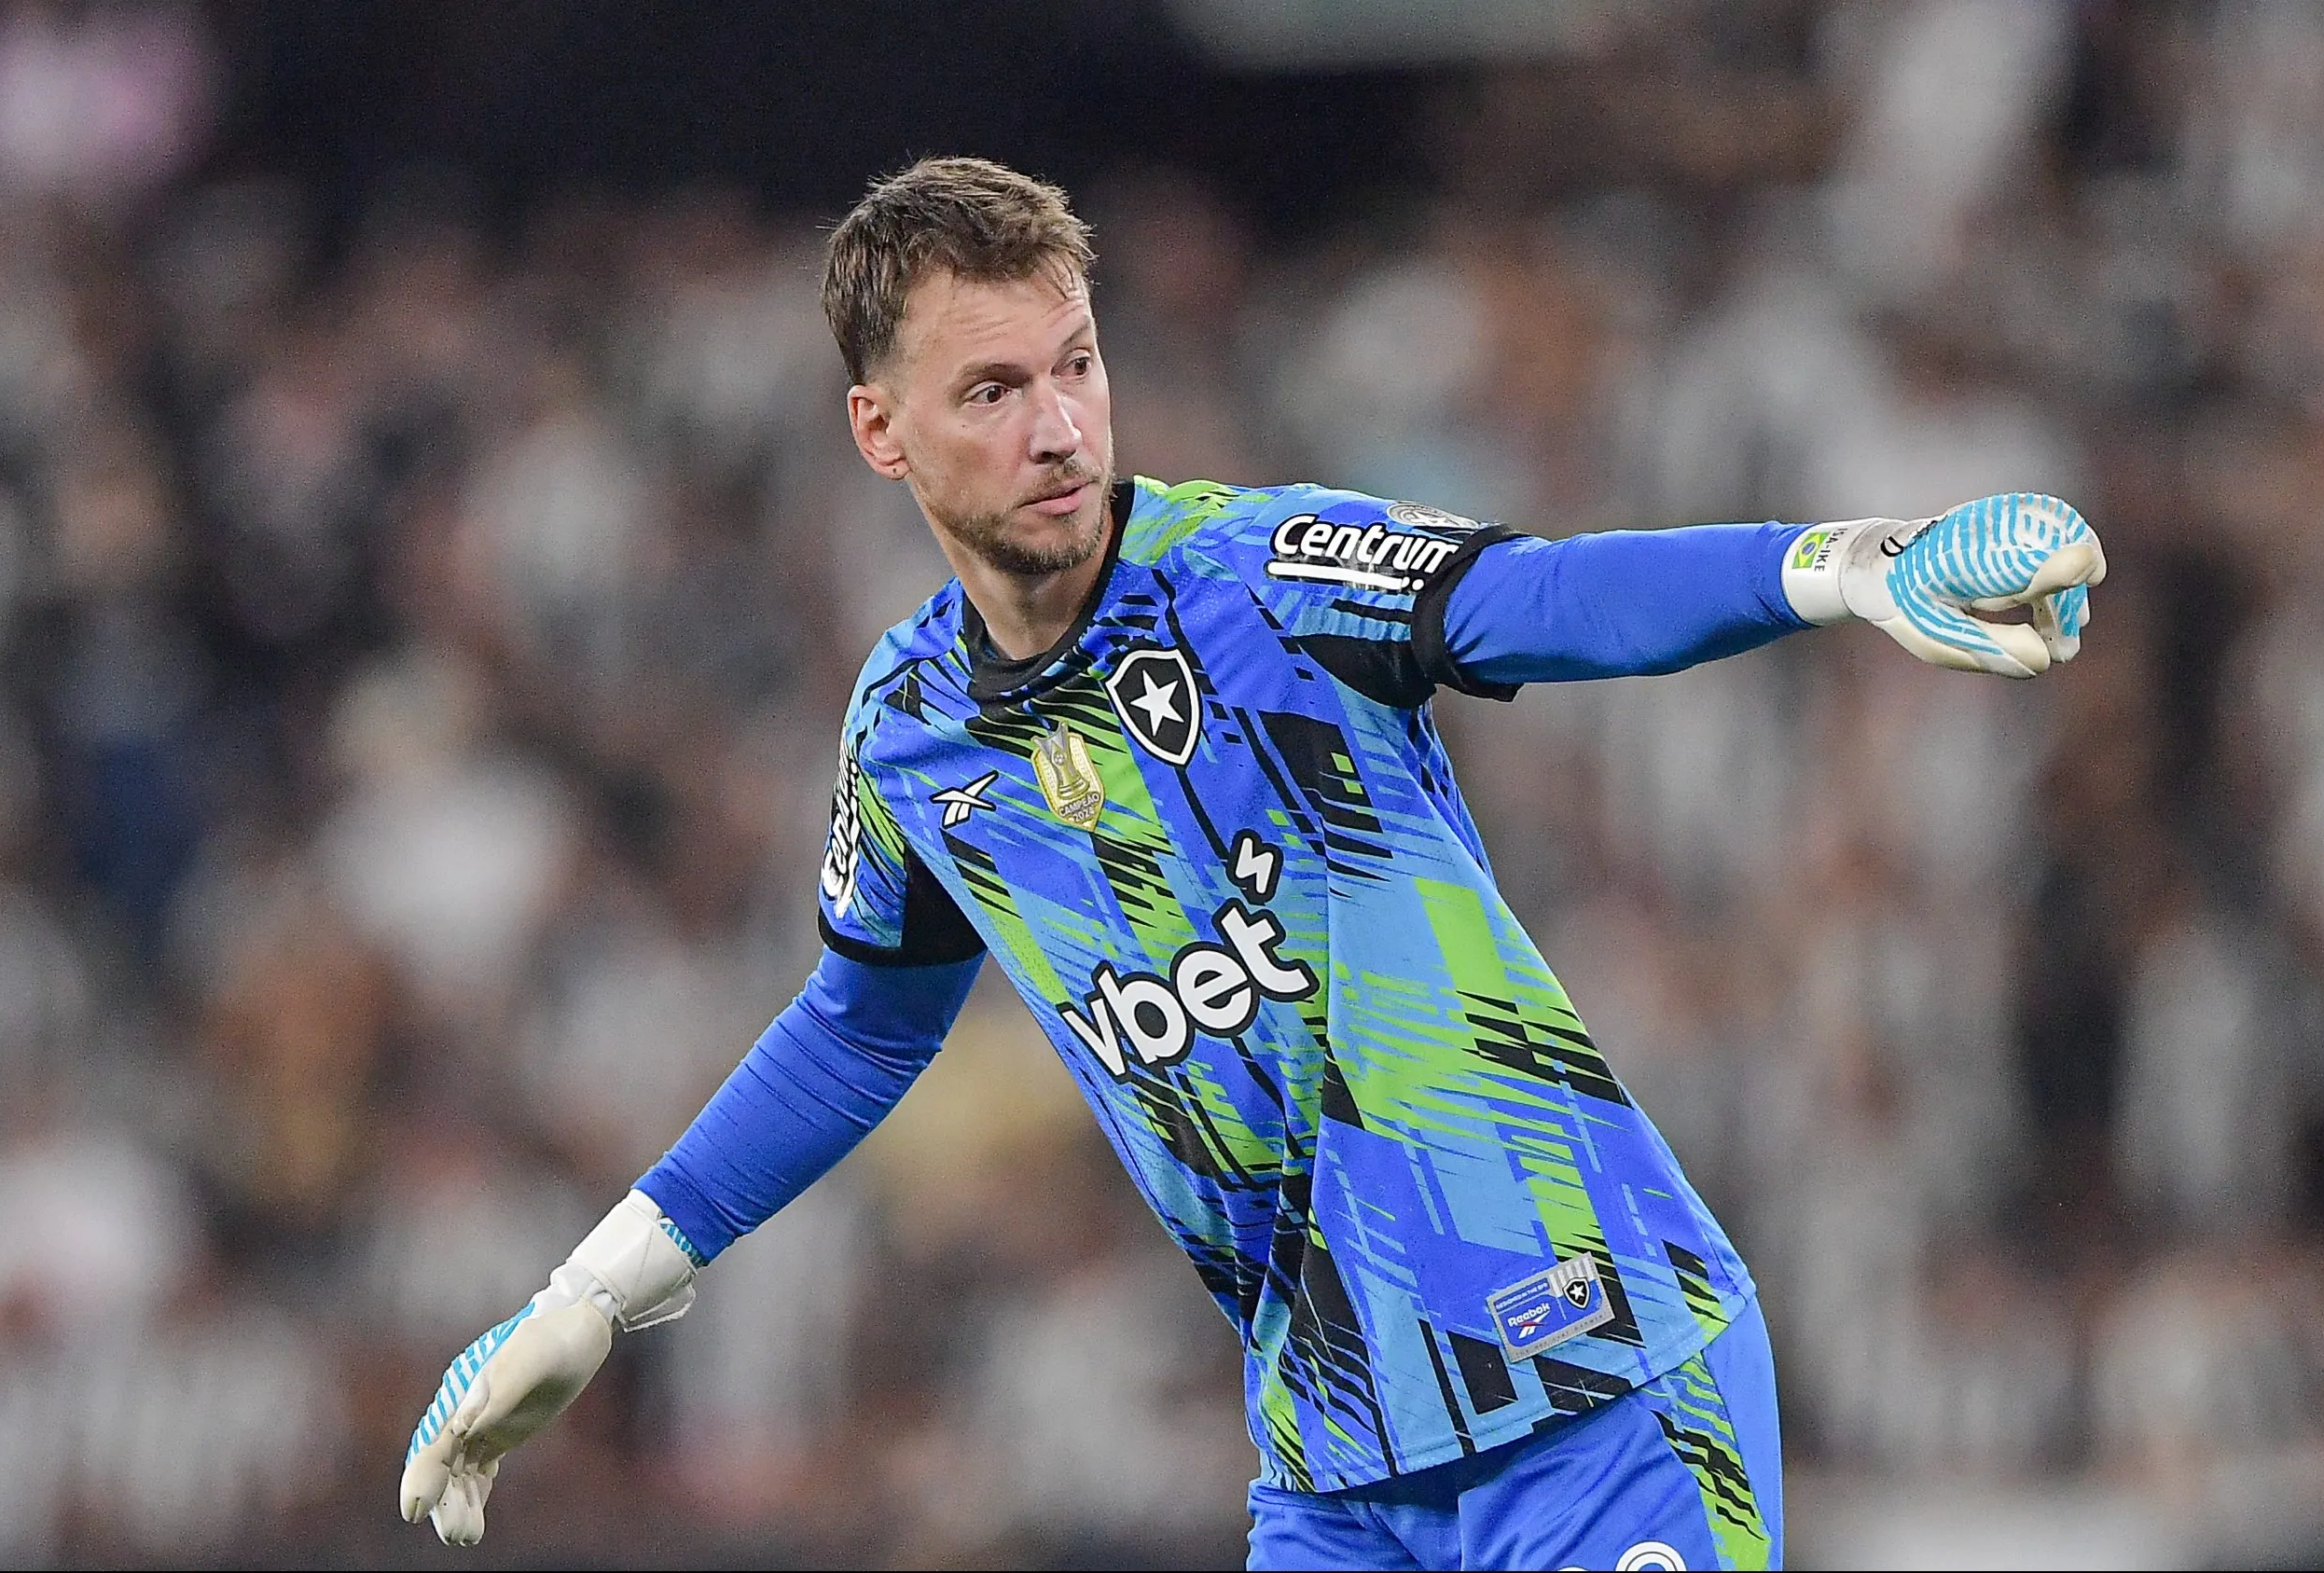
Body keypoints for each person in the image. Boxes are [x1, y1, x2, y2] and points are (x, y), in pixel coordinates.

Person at [395, 157, 2104, 1571]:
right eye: (992, 389)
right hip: (1334, 1460)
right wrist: (599, 1291)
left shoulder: (1267, 572)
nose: (1060, 424)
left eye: (1077, 362)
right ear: (881, 432)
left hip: (1606, 1381)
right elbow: (859, 1026)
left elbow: (1542, 599)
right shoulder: (911, 731)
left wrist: (1851, 565)